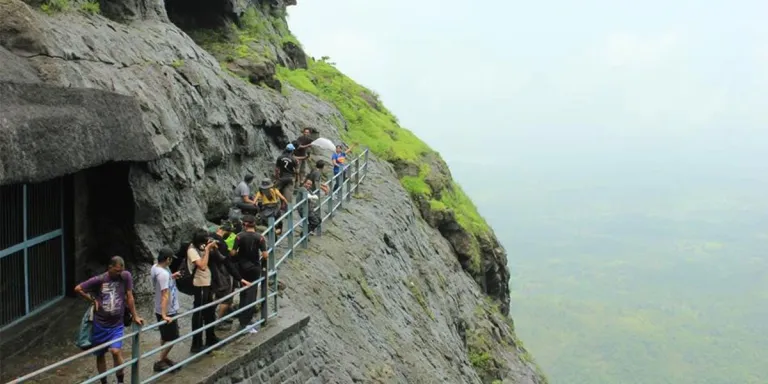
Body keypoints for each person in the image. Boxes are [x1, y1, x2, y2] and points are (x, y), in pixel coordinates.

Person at [74, 256, 144, 384]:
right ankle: (104, 382)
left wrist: (135, 316)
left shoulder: (125, 276)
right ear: (110, 267)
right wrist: (93, 300)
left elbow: (130, 296)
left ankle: (120, 381)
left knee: (116, 351)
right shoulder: (100, 279)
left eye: (121, 270)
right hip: (100, 324)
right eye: (117, 271)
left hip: (116, 325)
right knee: (100, 355)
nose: (119, 273)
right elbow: (78, 288)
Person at [209, 223, 251, 331]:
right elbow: (227, 261)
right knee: (226, 298)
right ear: (227, 232)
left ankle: (209, 319)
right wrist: (239, 278)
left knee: (214, 297)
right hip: (222, 274)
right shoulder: (222, 244)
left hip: (209, 273)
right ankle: (218, 322)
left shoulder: (210, 237)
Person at [231, 215, 269, 333]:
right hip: (255, 268)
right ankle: (246, 320)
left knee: (243, 292)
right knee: (252, 294)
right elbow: (265, 255)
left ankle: (242, 319)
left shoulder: (239, 237)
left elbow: (233, 253)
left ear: (245, 225)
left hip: (242, 268)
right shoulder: (260, 238)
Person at [187, 231, 220, 353]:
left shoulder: (202, 247)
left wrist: (213, 248)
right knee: (199, 313)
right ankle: (196, 343)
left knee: (209, 312)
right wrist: (207, 250)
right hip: (199, 284)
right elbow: (202, 265)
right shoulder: (192, 250)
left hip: (208, 283)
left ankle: (211, 337)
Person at [150, 248, 181, 373]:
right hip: (168, 310)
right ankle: (160, 361)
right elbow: (164, 295)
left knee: (165, 335)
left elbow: (162, 283)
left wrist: (172, 276)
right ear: (168, 259)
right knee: (174, 337)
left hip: (161, 308)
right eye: (171, 258)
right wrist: (164, 315)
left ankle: (164, 357)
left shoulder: (155, 268)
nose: (172, 260)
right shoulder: (163, 274)